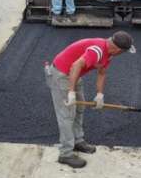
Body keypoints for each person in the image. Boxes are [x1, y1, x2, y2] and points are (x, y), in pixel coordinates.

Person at [45, 31, 136, 168]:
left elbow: (102, 73)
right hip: (61, 75)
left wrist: (100, 95)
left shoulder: (108, 53)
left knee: (79, 108)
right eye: (123, 52)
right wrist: (71, 92)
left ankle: (77, 141)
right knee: (67, 115)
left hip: (73, 75)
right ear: (118, 50)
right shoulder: (97, 50)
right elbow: (76, 65)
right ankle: (66, 153)